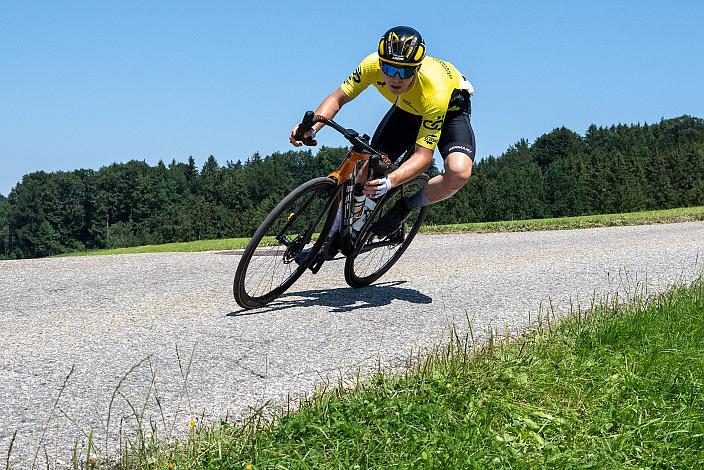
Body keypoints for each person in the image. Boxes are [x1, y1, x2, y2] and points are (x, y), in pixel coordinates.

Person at [290, 25, 475, 259]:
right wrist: (311, 128)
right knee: (369, 169)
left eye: (405, 72)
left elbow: (423, 156)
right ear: (380, 63)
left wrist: (391, 181)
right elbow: (338, 98)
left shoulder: (434, 91)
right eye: (388, 68)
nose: (395, 78)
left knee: (459, 172)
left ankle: (405, 206)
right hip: (407, 109)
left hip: (449, 110)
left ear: (417, 69)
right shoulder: (370, 65)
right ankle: (331, 236)